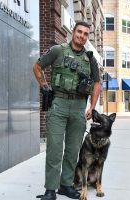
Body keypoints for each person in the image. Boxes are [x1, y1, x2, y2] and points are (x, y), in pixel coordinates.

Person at [33, 21, 101, 200]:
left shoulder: (90, 58)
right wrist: (44, 86)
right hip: (59, 105)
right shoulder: (58, 50)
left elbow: (97, 83)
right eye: (79, 32)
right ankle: (50, 189)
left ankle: (65, 185)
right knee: (54, 148)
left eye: (86, 34)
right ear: (73, 32)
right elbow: (37, 67)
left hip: (79, 107)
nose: (82, 36)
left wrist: (92, 107)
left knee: (73, 149)